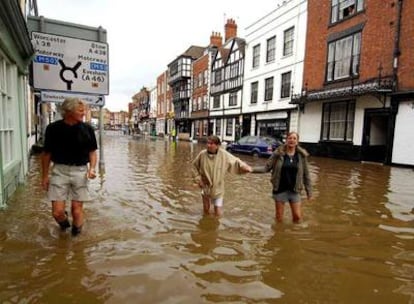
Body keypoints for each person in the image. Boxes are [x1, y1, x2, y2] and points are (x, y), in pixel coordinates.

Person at [41, 97, 98, 236]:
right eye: (80, 111)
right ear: (68, 111)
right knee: (57, 212)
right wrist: (44, 176)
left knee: (76, 209)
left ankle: (76, 238)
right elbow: (46, 154)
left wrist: (92, 168)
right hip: (59, 171)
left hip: (80, 171)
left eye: (84, 110)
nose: (83, 113)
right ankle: (65, 229)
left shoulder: (88, 129)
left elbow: (92, 152)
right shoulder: (53, 129)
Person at [252, 131, 312, 223]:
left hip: (295, 190)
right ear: (286, 140)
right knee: (279, 218)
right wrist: (250, 169)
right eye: (290, 138)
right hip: (280, 189)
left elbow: (306, 175)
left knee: (297, 217)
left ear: (297, 141)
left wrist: (309, 191)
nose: (292, 140)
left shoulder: (301, 156)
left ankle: (294, 236)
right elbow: (266, 168)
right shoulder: (278, 154)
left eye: (294, 138)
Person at [192, 135, 252, 217]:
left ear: (217, 146)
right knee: (206, 210)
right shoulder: (202, 154)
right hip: (205, 185)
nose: (208, 145)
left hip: (218, 187)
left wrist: (244, 167)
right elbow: (194, 167)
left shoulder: (224, 154)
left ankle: (216, 226)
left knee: (218, 212)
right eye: (208, 143)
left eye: (211, 143)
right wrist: (198, 180)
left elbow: (235, 161)